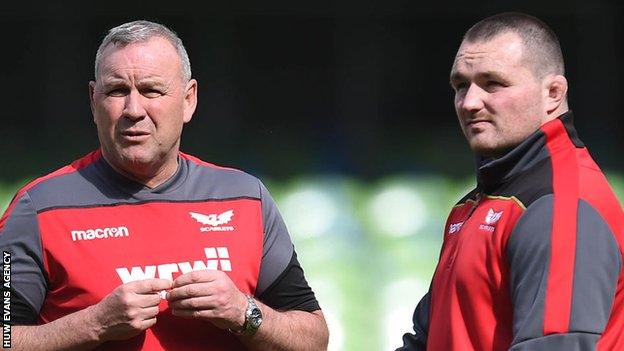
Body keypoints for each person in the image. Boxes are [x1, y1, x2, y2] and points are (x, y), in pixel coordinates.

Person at [0, 20, 329, 351]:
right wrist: (94, 324)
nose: (133, 109)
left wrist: (244, 311)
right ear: (93, 101)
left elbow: (314, 340)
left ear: (189, 100)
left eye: (151, 90)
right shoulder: (38, 209)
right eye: (117, 91)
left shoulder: (246, 200)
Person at [398, 12, 624, 351]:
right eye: (461, 86)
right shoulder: (476, 204)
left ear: (553, 93)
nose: (470, 102)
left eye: (493, 83)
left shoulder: (561, 205)